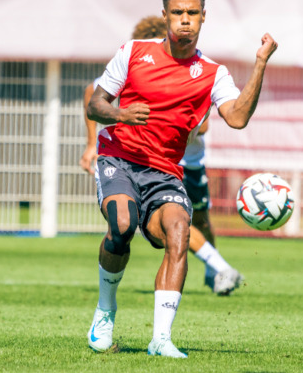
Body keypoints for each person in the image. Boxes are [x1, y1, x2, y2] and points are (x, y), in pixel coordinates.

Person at [86, 0, 277, 358]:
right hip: (119, 158)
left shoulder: (212, 73)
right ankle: (106, 309)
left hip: (164, 172)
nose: (184, 20)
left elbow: (237, 118)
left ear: (204, 17)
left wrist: (259, 65)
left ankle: (161, 339)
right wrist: (122, 113)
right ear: (165, 16)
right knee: (122, 226)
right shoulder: (133, 52)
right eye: (177, 13)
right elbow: (95, 105)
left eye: (192, 13)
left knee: (177, 231)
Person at [80, 16, 244, 296]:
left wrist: (179, 121)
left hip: (187, 161)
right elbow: (92, 94)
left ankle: (212, 271)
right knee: (160, 224)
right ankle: (219, 267)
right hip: (142, 160)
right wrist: (91, 143)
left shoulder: (200, 71)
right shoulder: (136, 61)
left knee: (199, 220)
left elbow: (203, 125)